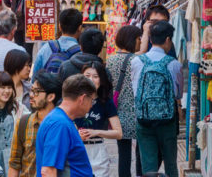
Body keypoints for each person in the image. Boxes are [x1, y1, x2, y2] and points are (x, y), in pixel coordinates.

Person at [130, 21, 182, 177]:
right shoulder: (174, 64)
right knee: (171, 164)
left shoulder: (136, 61)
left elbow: (135, 91)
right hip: (168, 120)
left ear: (150, 40)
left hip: (143, 119)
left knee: (149, 165)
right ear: (168, 40)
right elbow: (178, 94)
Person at [35, 75, 96, 177]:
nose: (91, 105)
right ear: (83, 98)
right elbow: (48, 171)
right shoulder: (60, 124)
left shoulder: (59, 120)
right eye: (92, 100)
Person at [106, 25, 143, 177]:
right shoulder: (139, 60)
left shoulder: (110, 61)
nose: (140, 42)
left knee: (124, 155)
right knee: (141, 153)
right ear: (133, 40)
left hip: (118, 115)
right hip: (139, 114)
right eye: (139, 39)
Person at [8, 72, 59, 177]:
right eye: (32, 90)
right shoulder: (24, 122)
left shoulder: (63, 126)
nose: (31, 95)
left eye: (36, 92)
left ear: (51, 97)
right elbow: (14, 163)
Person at [74, 63, 121, 177]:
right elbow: (67, 124)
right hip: (77, 149)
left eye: (95, 76)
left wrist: (96, 132)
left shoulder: (106, 102)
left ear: (101, 80)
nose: (91, 80)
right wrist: (75, 134)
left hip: (98, 150)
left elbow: (118, 133)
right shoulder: (74, 100)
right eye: (87, 75)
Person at [31, 8, 83, 78]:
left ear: (59, 26)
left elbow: (34, 78)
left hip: (48, 88)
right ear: (80, 28)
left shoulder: (46, 47)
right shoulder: (81, 53)